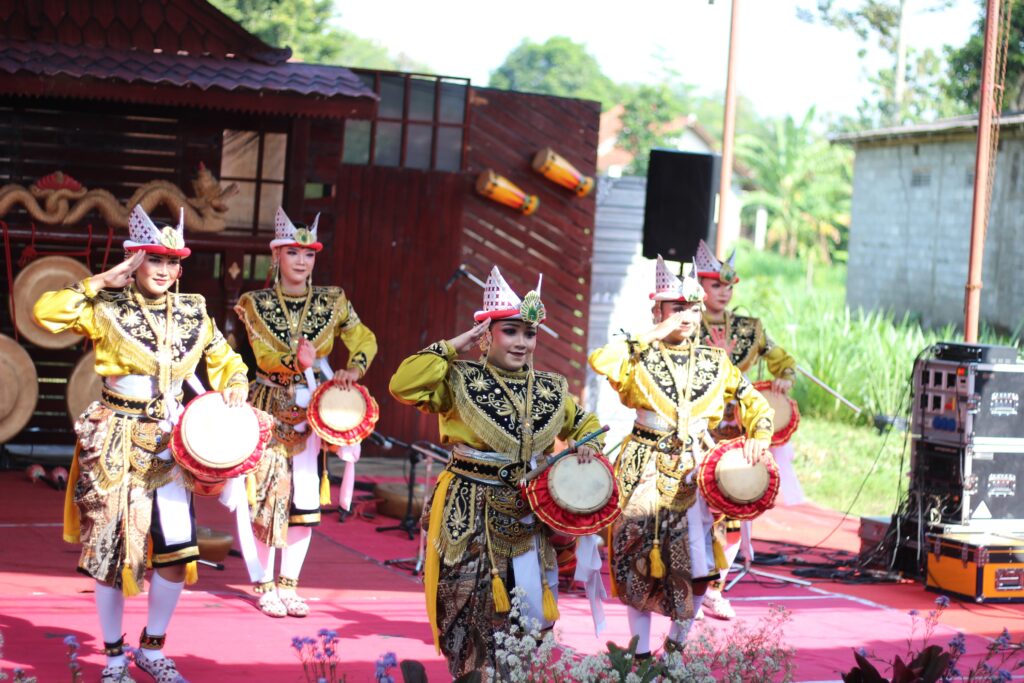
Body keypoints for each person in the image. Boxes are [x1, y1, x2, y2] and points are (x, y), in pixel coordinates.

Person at [33, 205, 249, 683]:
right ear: (135, 260)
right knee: (112, 552)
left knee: (176, 550)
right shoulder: (106, 305)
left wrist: (235, 382)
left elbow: (226, 358)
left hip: (171, 443)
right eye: (155, 259)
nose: (165, 270)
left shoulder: (194, 310)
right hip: (115, 438)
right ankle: (113, 658)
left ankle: (152, 648)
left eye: (173, 262)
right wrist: (99, 281)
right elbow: (44, 313)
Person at [389, 266, 605, 680]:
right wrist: (454, 345)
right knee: (468, 609)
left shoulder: (551, 387)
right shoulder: (458, 377)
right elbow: (403, 384)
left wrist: (587, 446)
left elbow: (586, 424)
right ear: (486, 335)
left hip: (528, 513)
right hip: (469, 509)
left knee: (528, 615)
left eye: (530, 333)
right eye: (510, 331)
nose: (522, 342)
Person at [588, 255, 773, 658]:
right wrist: (655, 332)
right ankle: (639, 656)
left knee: (698, 563)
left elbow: (754, 402)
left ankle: (676, 647)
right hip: (643, 464)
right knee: (635, 560)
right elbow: (601, 359)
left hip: (694, 469)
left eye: (691, 308)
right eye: (675, 308)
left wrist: (759, 434)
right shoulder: (637, 355)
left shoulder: (715, 361)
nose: (685, 316)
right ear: (657, 310)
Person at [233, 207, 377, 618]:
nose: (301, 261)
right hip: (269, 409)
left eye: (309, 253)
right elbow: (262, 354)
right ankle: (264, 584)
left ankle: (289, 584)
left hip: (313, 411)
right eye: (293, 252)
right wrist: (297, 361)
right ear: (276, 254)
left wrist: (354, 369)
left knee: (304, 500)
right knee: (266, 498)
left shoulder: (333, 300)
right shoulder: (254, 303)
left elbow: (364, 338)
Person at [694, 240, 800, 620]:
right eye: (716, 285)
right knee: (694, 513)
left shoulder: (748, 329)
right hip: (696, 433)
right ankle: (690, 586)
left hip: (737, 436)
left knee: (733, 512)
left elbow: (781, 360)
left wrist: (784, 377)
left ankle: (715, 588)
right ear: (699, 286)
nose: (724, 292)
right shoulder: (685, 324)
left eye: (728, 286)